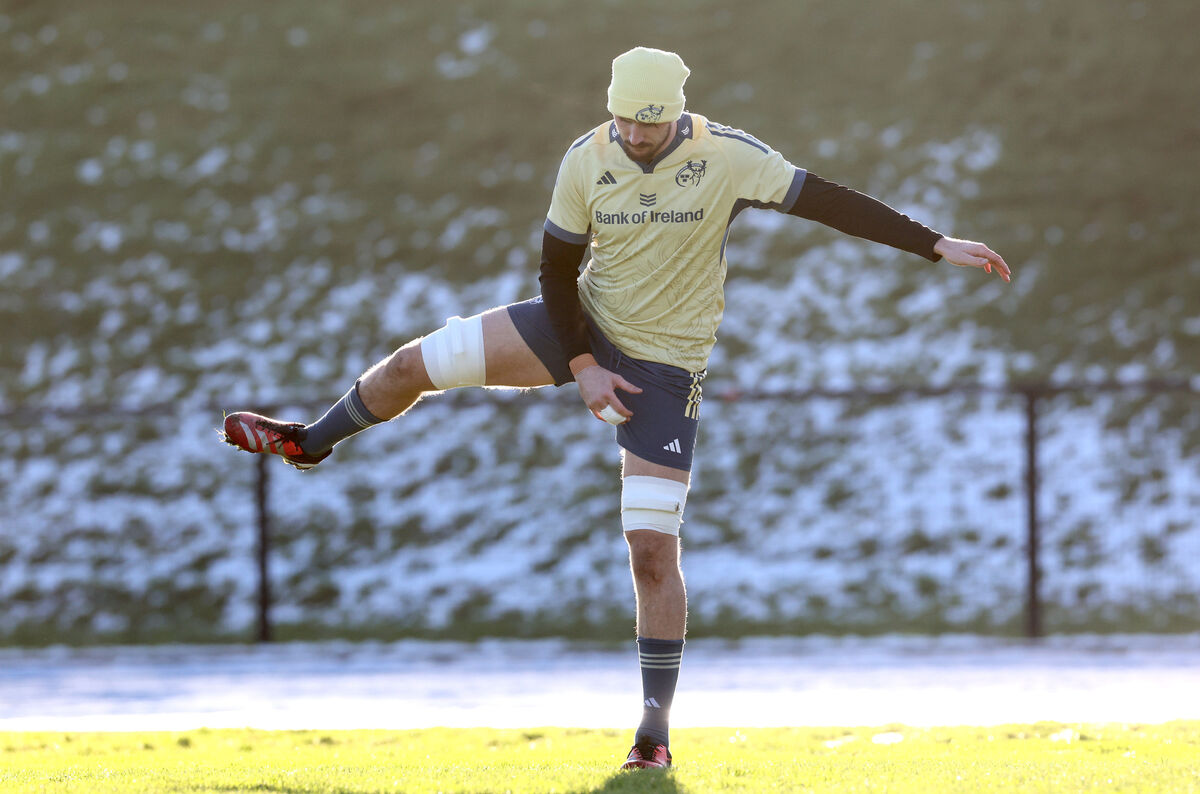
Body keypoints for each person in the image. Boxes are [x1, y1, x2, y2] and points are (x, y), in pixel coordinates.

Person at [222, 46, 1010, 770]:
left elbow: (828, 201)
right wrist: (584, 366)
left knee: (650, 552)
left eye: (652, 119)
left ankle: (652, 735)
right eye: (626, 118)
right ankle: (311, 440)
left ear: (676, 110)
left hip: (665, 370)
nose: (637, 133)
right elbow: (555, 274)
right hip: (579, 325)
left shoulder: (728, 156)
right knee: (409, 365)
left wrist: (935, 243)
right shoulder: (587, 159)